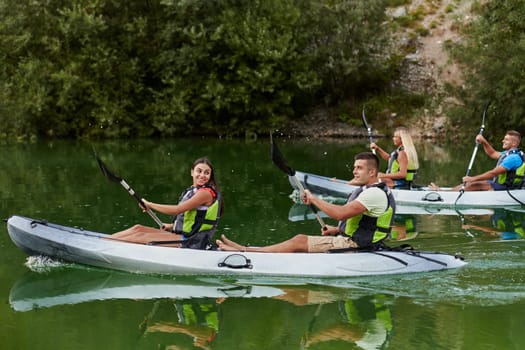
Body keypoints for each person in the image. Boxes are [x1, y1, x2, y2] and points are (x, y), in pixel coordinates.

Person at [216, 152, 395, 253]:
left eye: (359, 168)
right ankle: (250, 249)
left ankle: (245, 251)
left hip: (357, 245)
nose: (354, 171)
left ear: (372, 173)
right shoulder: (368, 190)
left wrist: (314, 199)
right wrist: (336, 230)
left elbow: (341, 213)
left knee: (299, 240)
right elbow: (362, 222)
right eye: (354, 167)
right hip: (354, 239)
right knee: (299, 241)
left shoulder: (374, 194)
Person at [109, 157, 222, 249]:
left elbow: (177, 210)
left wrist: (150, 204)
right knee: (137, 229)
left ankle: (106, 247)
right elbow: (193, 220)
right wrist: (171, 226)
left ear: (210, 176)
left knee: (139, 236)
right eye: (199, 171)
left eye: (207, 173)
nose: (202, 175)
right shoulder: (192, 190)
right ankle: (105, 242)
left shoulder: (205, 193)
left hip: (191, 241)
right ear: (192, 172)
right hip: (181, 235)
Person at [430, 130, 525, 191]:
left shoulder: (513, 158)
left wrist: (473, 178)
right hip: (500, 184)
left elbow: (493, 173)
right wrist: (483, 141)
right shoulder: (508, 154)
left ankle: (443, 195)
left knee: (473, 184)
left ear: (514, 143)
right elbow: (492, 153)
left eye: (506, 140)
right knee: (469, 183)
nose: (503, 141)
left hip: (506, 188)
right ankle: (445, 192)